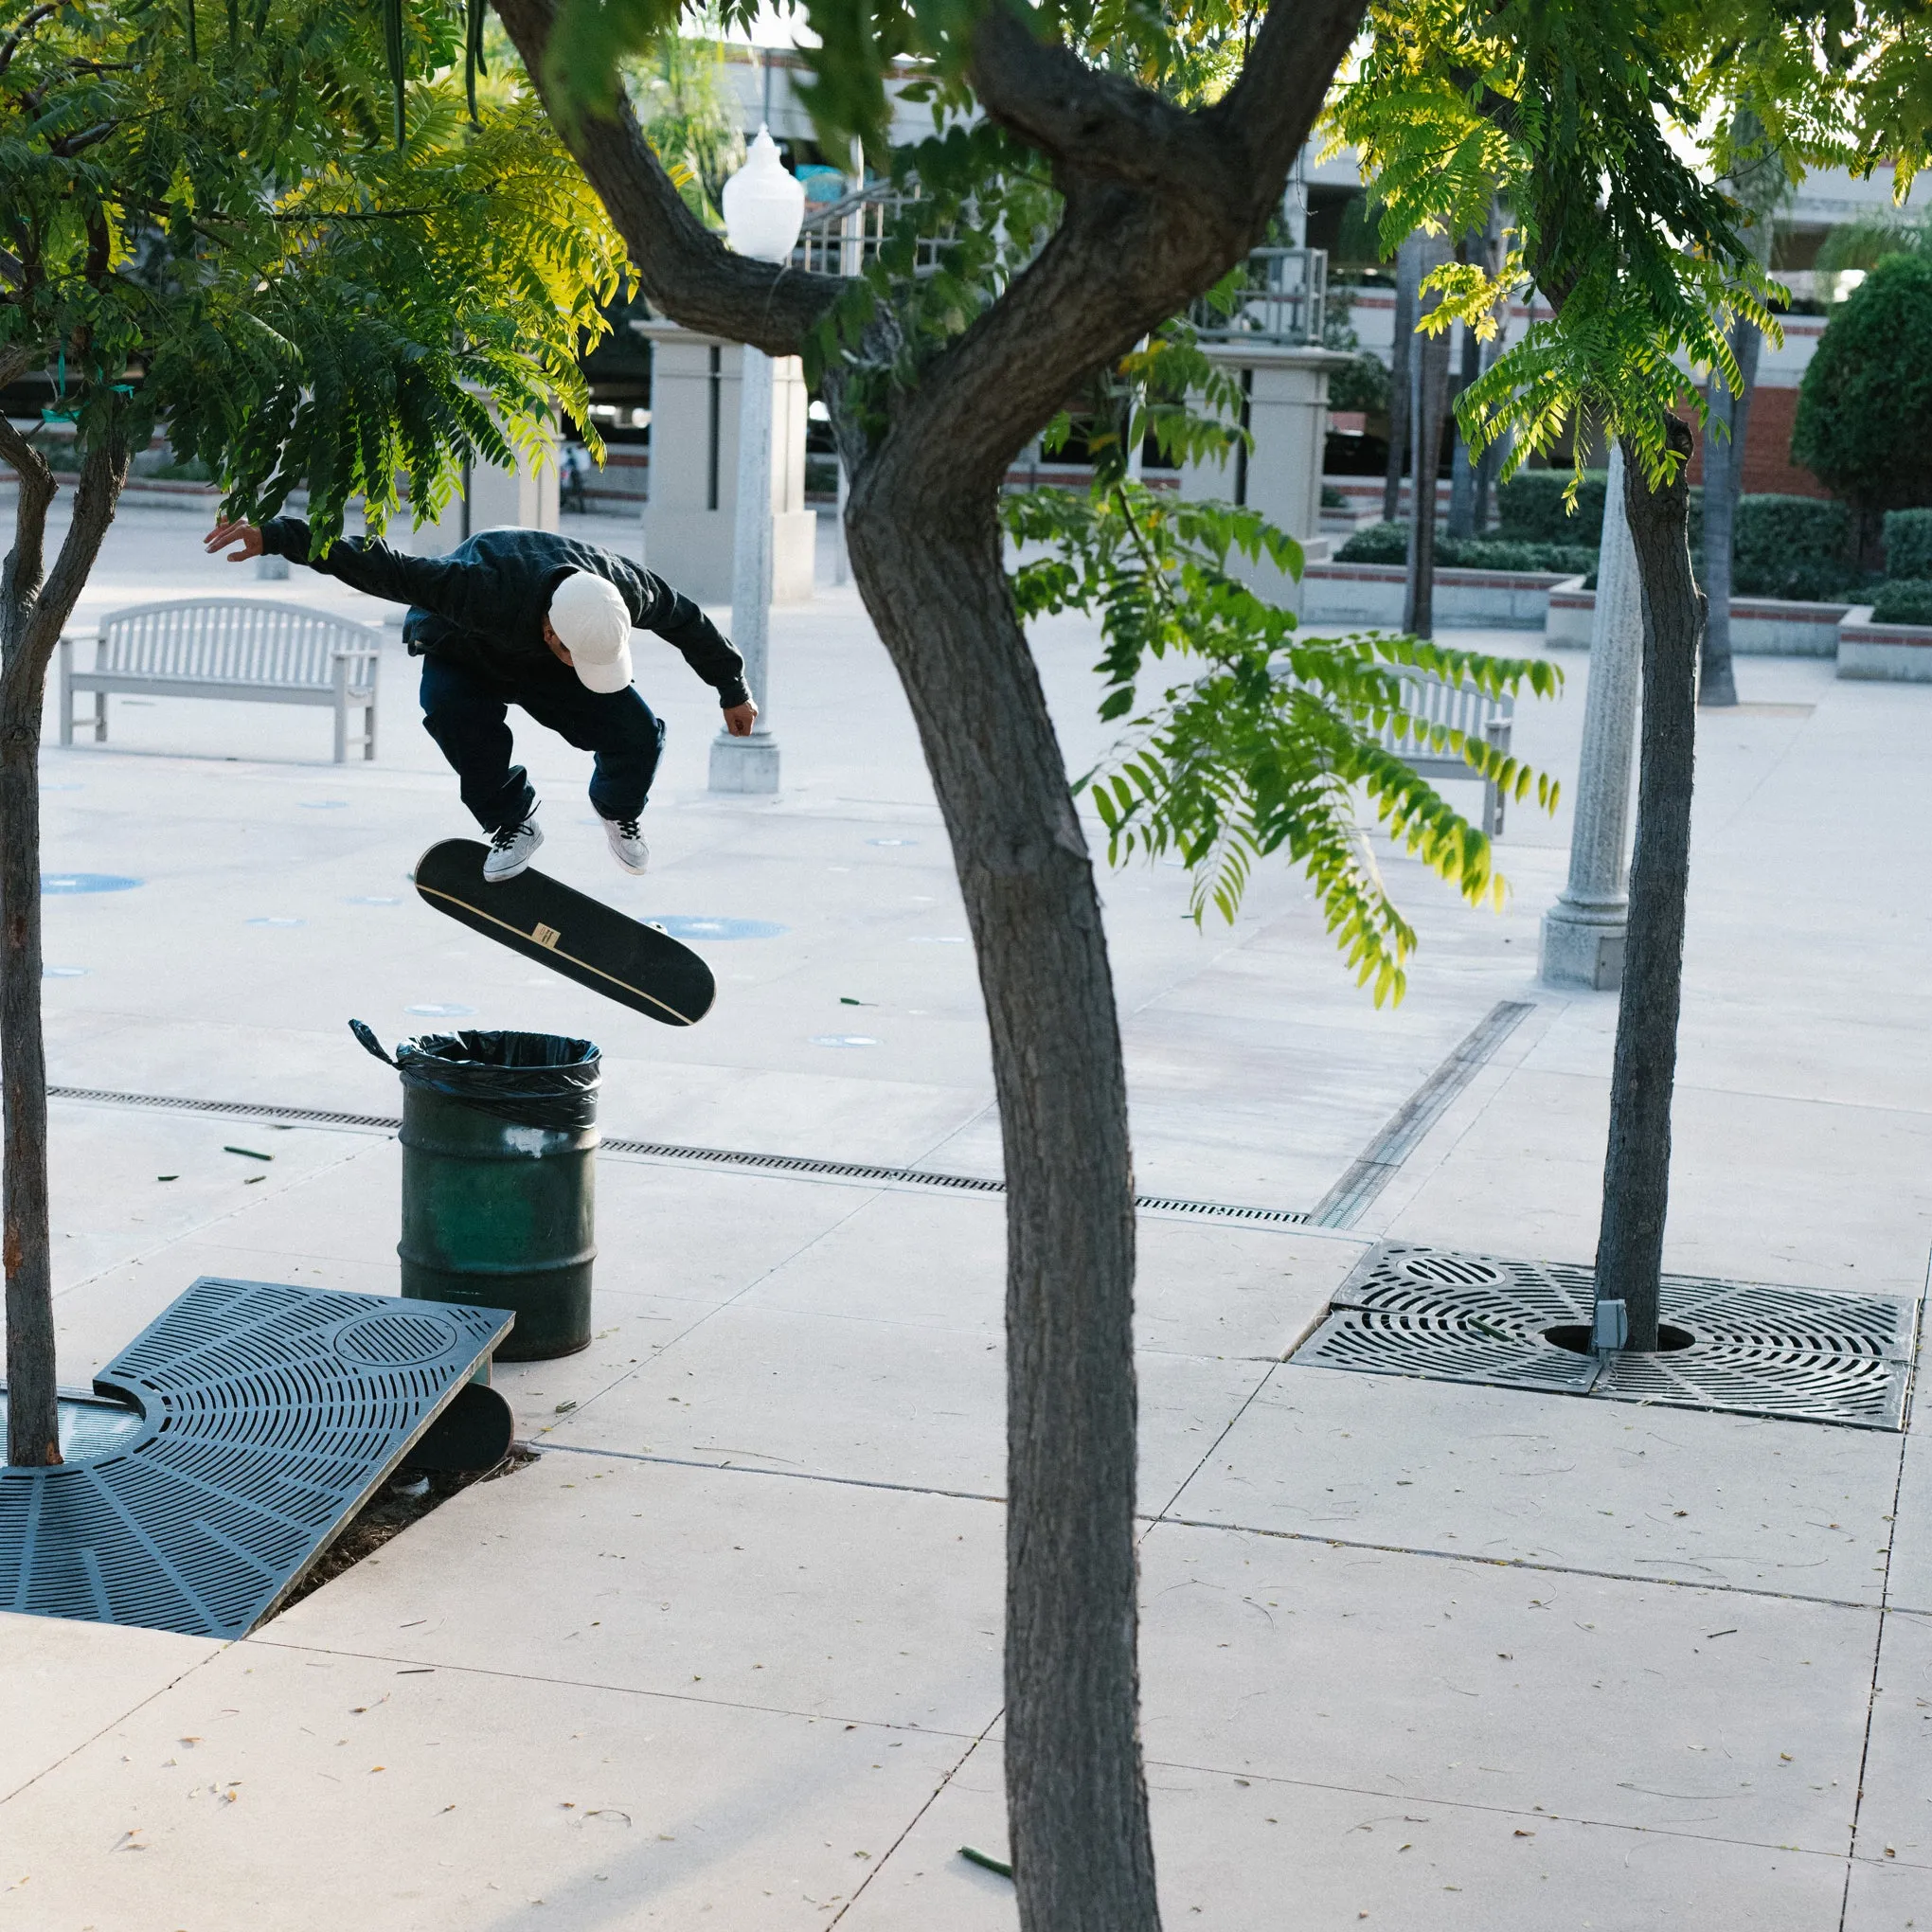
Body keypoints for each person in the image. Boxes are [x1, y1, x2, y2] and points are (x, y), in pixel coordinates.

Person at [204, 518, 757, 882]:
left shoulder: (622, 590)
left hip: (538, 651)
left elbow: (688, 619)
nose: (582, 668)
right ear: (549, 632)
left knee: (635, 733)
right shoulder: (476, 587)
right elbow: (383, 567)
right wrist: (279, 537)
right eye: (575, 656)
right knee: (450, 709)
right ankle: (513, 821)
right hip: (464, 648)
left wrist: (731, 688)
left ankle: (618, 809)